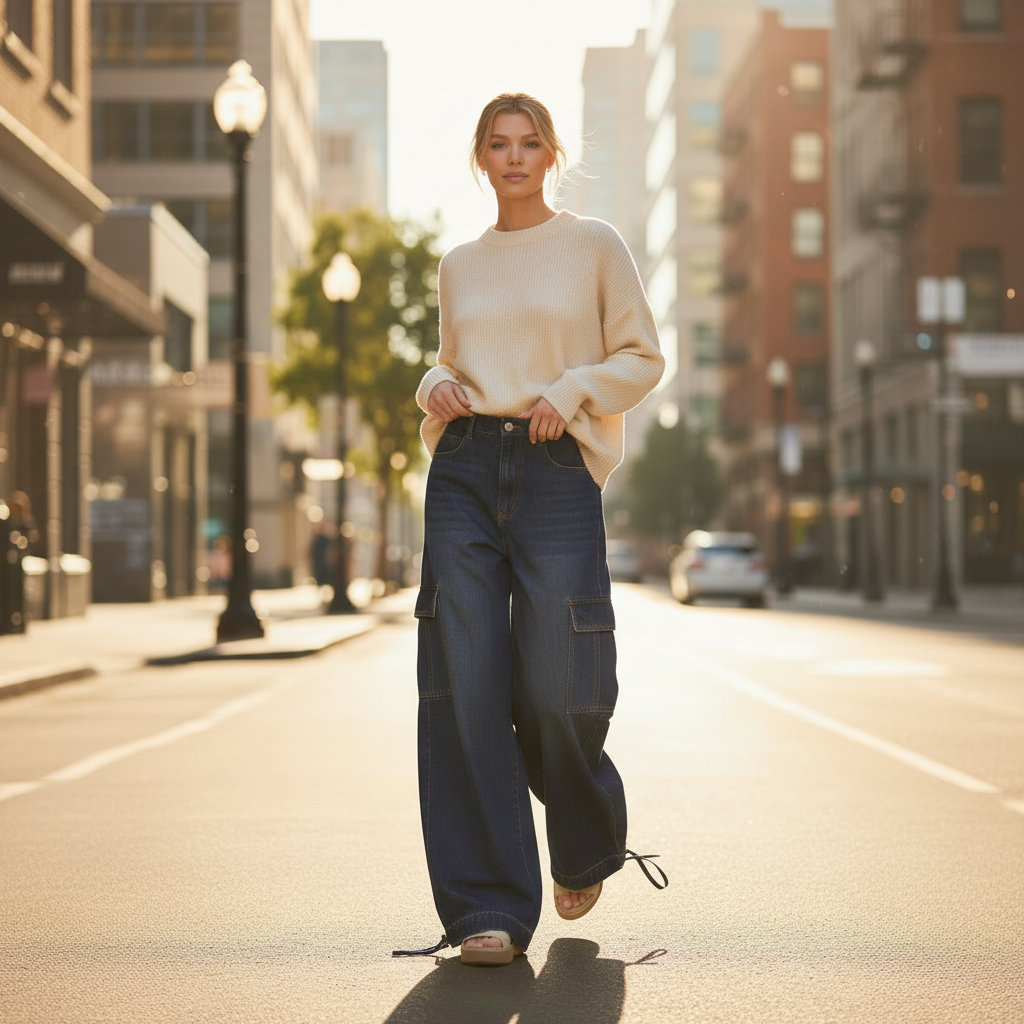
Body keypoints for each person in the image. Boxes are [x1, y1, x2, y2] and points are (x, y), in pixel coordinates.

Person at [393, 94, 668, 967]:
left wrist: (572, 389)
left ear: (553, 155)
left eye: (531, 144)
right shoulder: (459, 264)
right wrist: (431, 380)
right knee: (463, 684)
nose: (515, 158)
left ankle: (584, 834)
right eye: (499, 146)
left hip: (555, 471)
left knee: (558, 683)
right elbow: (457, 359)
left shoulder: (594, 245)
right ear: (480, 157)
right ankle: (487, 908)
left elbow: (641, 358)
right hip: (466, 467)